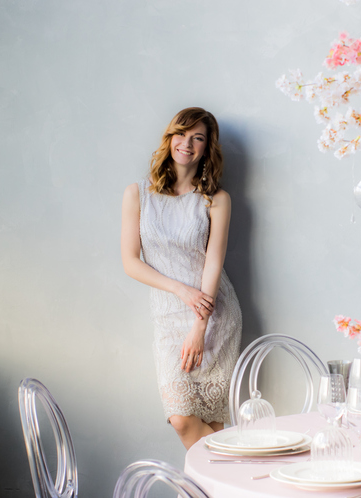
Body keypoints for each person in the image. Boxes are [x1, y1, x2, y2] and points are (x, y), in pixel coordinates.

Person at [121, 107, 242, 449]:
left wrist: (199, 327)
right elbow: (131, 262)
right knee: (181, 419)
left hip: (214, 316)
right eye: (181, 134)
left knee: (211, 423)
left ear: (207, 148)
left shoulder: (216, 200)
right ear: (169, 138)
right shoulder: (138, 194)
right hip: (169, 314)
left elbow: (213, 265)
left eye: (197, 138)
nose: (186, 144)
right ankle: (239, 478)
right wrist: (181, 291)